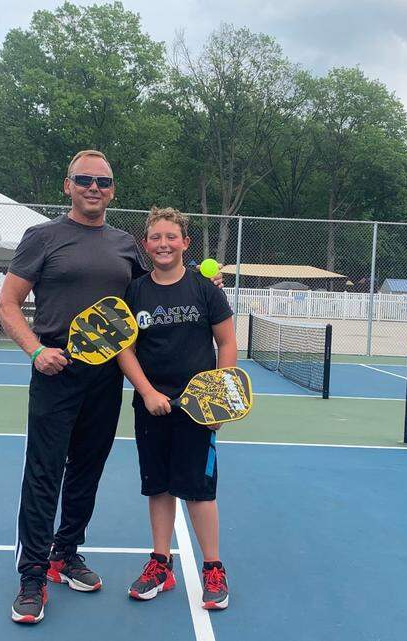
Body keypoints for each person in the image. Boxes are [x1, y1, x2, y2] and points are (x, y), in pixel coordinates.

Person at [0, 150, 147, 624]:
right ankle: (33, 575)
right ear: (68, 185)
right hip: (56, 370)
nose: (93, 188)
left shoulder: (126, 245)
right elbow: (8, 304)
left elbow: (151, 298)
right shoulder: (41, 237)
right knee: (44, 474)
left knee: (88, 469)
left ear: (113, 190)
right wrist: (36, 352)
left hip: (108, 374)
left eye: (102, 182)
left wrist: (206, 288)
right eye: (84, 180)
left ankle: (66, 553)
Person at [116, 207, 236, 611]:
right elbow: (124, 349)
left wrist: (219, 395)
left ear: (185, 243)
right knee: (159, 486)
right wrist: (147, 391)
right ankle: (160, 563)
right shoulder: (135, 291)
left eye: (171, 237)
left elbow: (228, 343)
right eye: (156, 238)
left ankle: (213, 568)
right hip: (152, 405)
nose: (163, 244)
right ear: (146, 243)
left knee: (199, 491)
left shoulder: (206, 289)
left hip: (198, 408)